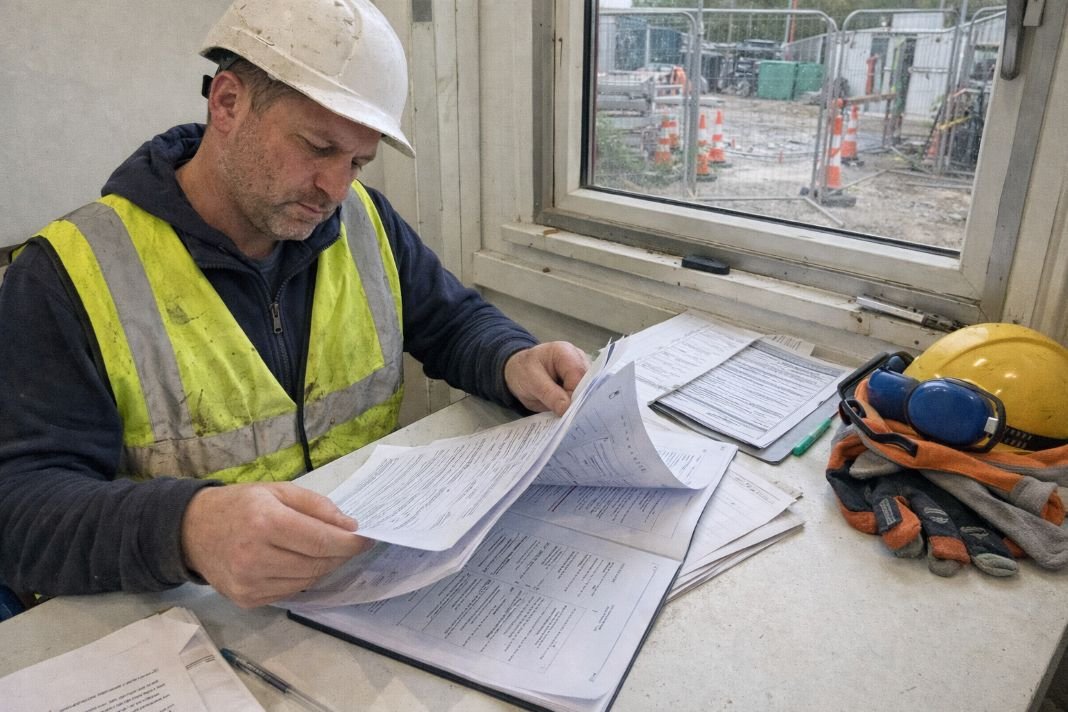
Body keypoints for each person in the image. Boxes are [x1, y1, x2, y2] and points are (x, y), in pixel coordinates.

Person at [0, 0, 589, 610]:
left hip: (354, 590)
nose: (335, 189)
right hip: (181, 615)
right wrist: (186, 529)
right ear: (227, 103)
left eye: (358, 162)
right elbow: (17, 505)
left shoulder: (363, 223)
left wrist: (512, 357)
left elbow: (452, 321)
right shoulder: (67, 274)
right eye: (316, 147)